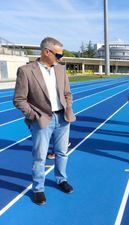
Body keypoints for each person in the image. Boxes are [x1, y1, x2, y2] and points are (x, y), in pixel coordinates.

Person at [13, 37, 76, 205]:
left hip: (62, 117)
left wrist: (68, 106)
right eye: (58, 55)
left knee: (62, 152)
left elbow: (68, 93)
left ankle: (61, 179)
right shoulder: (26, 71)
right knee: (40, 157)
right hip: (42, 119)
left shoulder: (61, 70)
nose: (60, 58)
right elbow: (19, 99)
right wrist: (34, 116)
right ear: (46, 52)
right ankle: (38, 189)